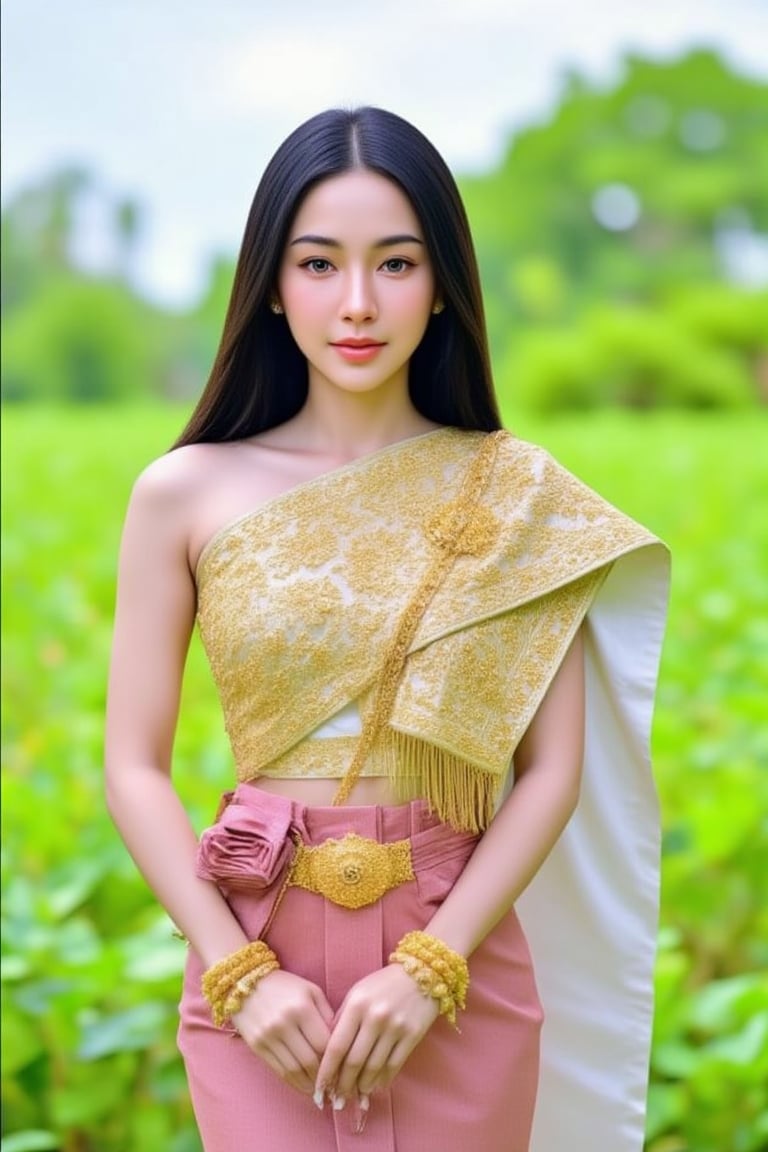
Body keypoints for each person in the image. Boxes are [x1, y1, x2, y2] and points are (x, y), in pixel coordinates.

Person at [105, 106, 670, 1152]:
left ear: (444, 281)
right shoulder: (181, 494)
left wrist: (432, 967)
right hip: (256, 956)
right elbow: (131, 768)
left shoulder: (515, 494)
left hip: (454, 960)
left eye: (396, 264)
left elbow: (553, 771)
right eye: (318, 264)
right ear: (271, 285)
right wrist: (236, 973)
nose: (357, 303)